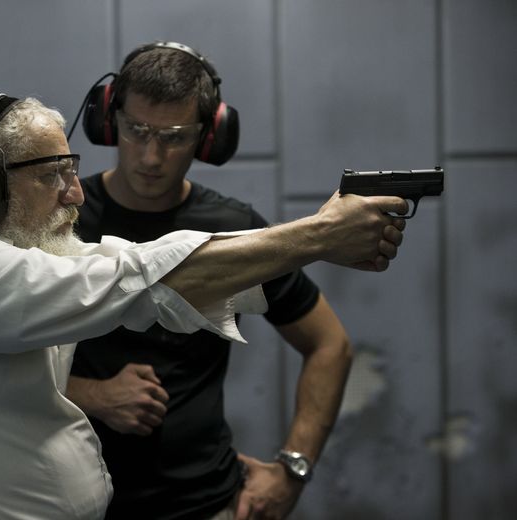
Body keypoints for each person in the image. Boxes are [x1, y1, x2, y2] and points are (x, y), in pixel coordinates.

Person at [0, 92, 406, 520]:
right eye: (54, 177)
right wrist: (319, 236)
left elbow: (137, 271)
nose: (76, 194)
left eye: (72, 170)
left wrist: (313, 240)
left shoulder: (17, 253)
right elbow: (132, 280)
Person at [66, 42, 360, 520]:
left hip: (205, 504)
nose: (151, 156)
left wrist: (292, 471)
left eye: (175, 137)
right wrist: (91, 394)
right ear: (108, 119)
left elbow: (330, 345)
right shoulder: (59, 221)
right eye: (136, 130)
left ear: (209, 137)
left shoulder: (233, 228)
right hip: (68, 504)